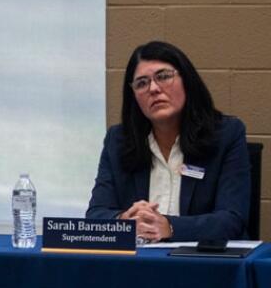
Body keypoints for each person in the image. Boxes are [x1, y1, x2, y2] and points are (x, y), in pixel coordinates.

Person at [86, 41, 250, 241]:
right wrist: (124, 221)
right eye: (142, 83)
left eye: (163, 77)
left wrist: (170, 227)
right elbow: (96, 215)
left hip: (203, 264)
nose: (153, 88)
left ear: (186, 80)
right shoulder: (118, 140)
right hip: (138, 264)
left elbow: (231, 220)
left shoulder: (226, 135)